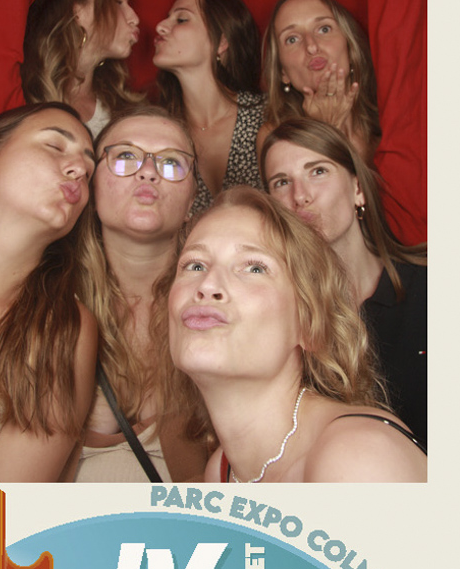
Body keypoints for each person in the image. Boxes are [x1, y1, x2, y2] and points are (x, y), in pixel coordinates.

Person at [168, 188, 426, 483]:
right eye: (195, 265)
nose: (207, 285)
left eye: (254, 268)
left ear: (309, 325)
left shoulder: (357, 457)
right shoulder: (221, 472)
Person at [262, 120, 427, 447]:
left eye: (318, 171)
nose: (300, 196)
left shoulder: (433, 286)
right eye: (282, 182)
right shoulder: (280, 322)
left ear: (358, 189)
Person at [70, 109, 206, 481]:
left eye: (171, 162)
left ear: (192, 199)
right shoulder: (47, 301)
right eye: (126, 156)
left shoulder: (222, 304)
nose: (147, 172)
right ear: (92, 186)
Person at [0, 104, 98, 481]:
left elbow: (0, 503)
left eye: (88, 169)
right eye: (54, 146)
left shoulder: (65, 327)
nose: (78, 168)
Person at [154, 0, 265, 213]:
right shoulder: (159, 131)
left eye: (181, 19)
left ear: (221, 42)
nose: (160, 27)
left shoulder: (267, 115)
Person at [20, 0, 141, 138]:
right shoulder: (19, 93)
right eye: (117, 2)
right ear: (76, 9)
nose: (134, 18)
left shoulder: (122, 106)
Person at [262, 0, 380, 165]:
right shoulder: (274, 137)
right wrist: (327, 127)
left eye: (324, 29)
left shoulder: (387, 122)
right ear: (282, 72)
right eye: (292, 39)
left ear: (350, 46)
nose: (311, 46)